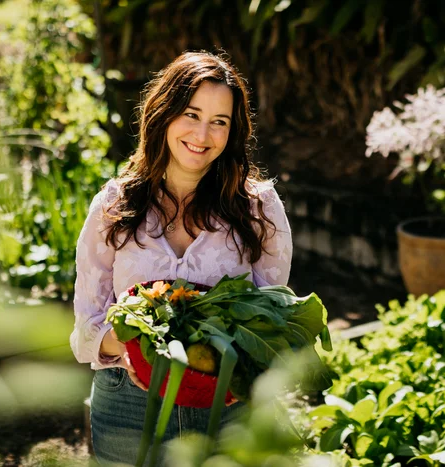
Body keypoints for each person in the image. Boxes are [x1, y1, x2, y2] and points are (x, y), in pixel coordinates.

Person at [69, 51, 293, 466]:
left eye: (220, 121)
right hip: (129, 406)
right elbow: (86, 328)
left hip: (229, 404)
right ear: (164, 113)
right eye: (191, 114)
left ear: (233, 131)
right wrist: (132, 334)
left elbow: (273, 312)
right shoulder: (114, 206)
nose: (202, 134)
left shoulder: (257, 206)